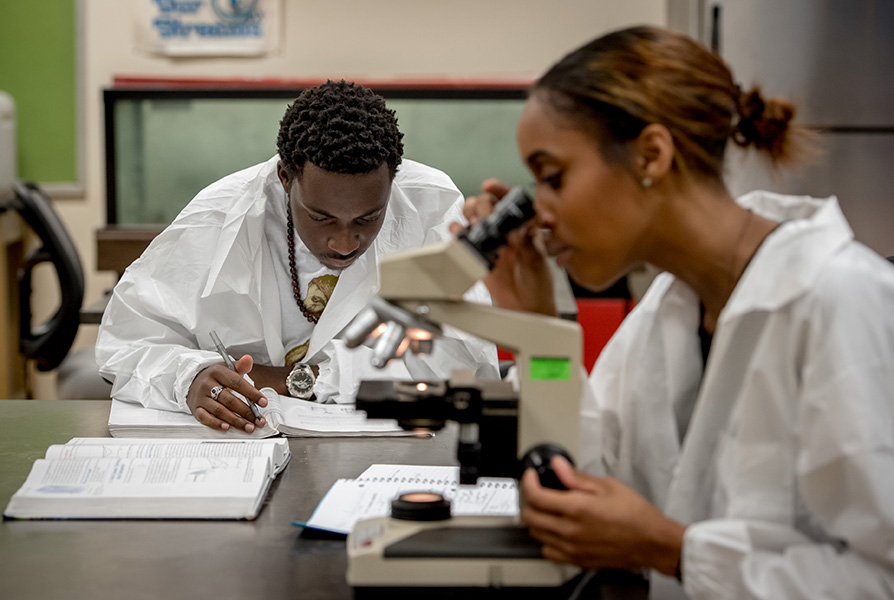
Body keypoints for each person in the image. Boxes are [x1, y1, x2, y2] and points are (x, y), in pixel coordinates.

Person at [463, 26, 894, 599]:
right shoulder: (666, 311)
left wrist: (672, 549)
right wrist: (537, 332)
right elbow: (591, 484)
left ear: (651, 155)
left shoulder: (839, 299)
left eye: (552, 177)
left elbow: (880, 577)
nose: (539, 213)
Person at [96, 80, 499, 434]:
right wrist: (190, 377)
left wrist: (297, 379)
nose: (344, 243)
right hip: (238, 448)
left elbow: (463, 363)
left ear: (393, 180)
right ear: (285, 178)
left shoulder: (429, 209)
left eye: (368, 217)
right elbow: (124, 344)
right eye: (320, 217)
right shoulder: (219, 217)